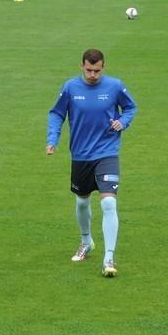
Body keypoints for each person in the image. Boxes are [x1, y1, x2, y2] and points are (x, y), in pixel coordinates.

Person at [47, 49, 138, 277]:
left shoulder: (115, 86)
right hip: (80, 155)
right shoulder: (70, 88)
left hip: (107, 153)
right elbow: (56, 114)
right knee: (81, 203)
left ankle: (109, 257)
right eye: (89, 70)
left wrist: (122, 122)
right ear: (82, 67)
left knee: (108, 204)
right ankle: (86, 242)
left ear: (103, 68)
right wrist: (52, 140)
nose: (93, 75)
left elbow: (130, 107)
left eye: (97, 70)